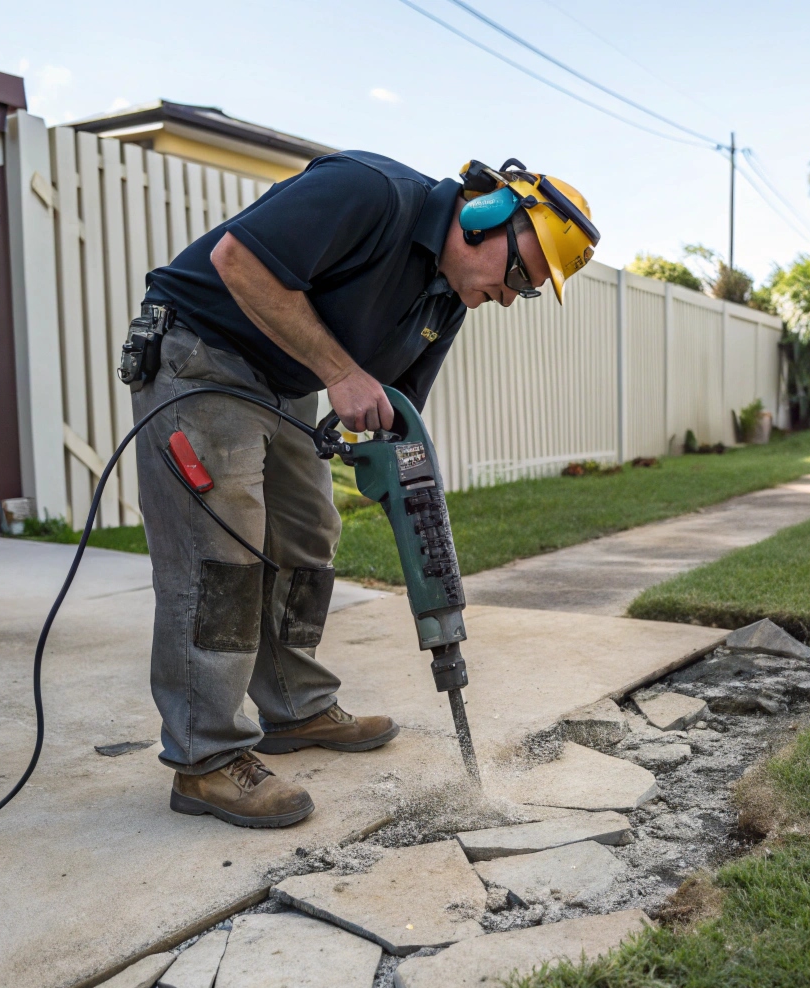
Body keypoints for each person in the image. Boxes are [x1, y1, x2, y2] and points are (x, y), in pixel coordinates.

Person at [126, 153, 598, 828]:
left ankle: (295, 706)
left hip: (283, 382)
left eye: (524, 291)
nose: (507, 296)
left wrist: (415, 515)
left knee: (309, 533)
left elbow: (398, 411)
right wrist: (341, 374)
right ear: (486, 215)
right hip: (200, 355)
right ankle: (206, 760)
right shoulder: (370, 193)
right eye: (520, 273)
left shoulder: (444, 300)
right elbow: (238, 261)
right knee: (220, 555)